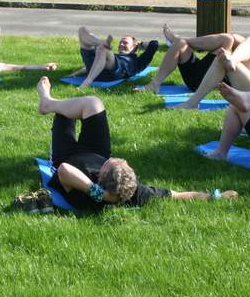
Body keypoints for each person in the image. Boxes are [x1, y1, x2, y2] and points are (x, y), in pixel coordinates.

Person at [36, 76, 237, 211]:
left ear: (103, 175)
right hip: (97, 151)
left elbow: (64, 170)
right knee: (94, 103)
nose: (121, 159)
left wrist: (101, 195)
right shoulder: (133, 192)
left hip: (67, 155)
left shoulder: (85, 195)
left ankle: (48, 101)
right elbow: (176, 195)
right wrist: (214, 196)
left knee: (64, 113)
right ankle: (49, 102)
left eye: (114, 163)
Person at [139, 25, 250, 110]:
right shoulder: (243, 50)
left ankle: (176, 39)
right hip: (202, 73)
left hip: (249, 89)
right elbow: (235, 37)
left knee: (233, 41)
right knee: (181, 43)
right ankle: (155, 83)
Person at [69, 26, 158, 89]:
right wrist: (74, 74)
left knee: (103, 48)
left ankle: (88, 81)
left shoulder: (138, 62)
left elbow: (154, 44)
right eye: (120, 42)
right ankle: (100, 42)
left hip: (115, 72)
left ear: (134, 46)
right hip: (98, 67)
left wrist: (140, 44)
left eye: (125, 43)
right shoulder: (113, 54)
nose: (121, 44)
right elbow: (90, 66)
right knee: (82, 30)